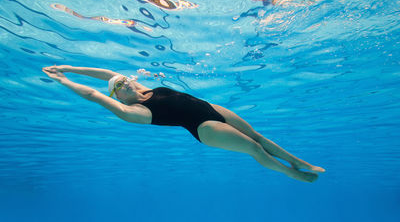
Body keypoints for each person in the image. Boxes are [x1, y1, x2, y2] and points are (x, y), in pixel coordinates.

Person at [42, 65, 325, 183]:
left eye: (125, 79)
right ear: (118, 95)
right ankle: (294, 174)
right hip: (204, 128)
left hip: (210, 107)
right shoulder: (133, 111)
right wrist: (65, 81)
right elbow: (93, 93)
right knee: (254, 149)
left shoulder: (138, 88)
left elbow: (106, 73)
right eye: (121, 85)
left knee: (257, 135)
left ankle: (302, 163)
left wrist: (68, 67)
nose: (126, 81)